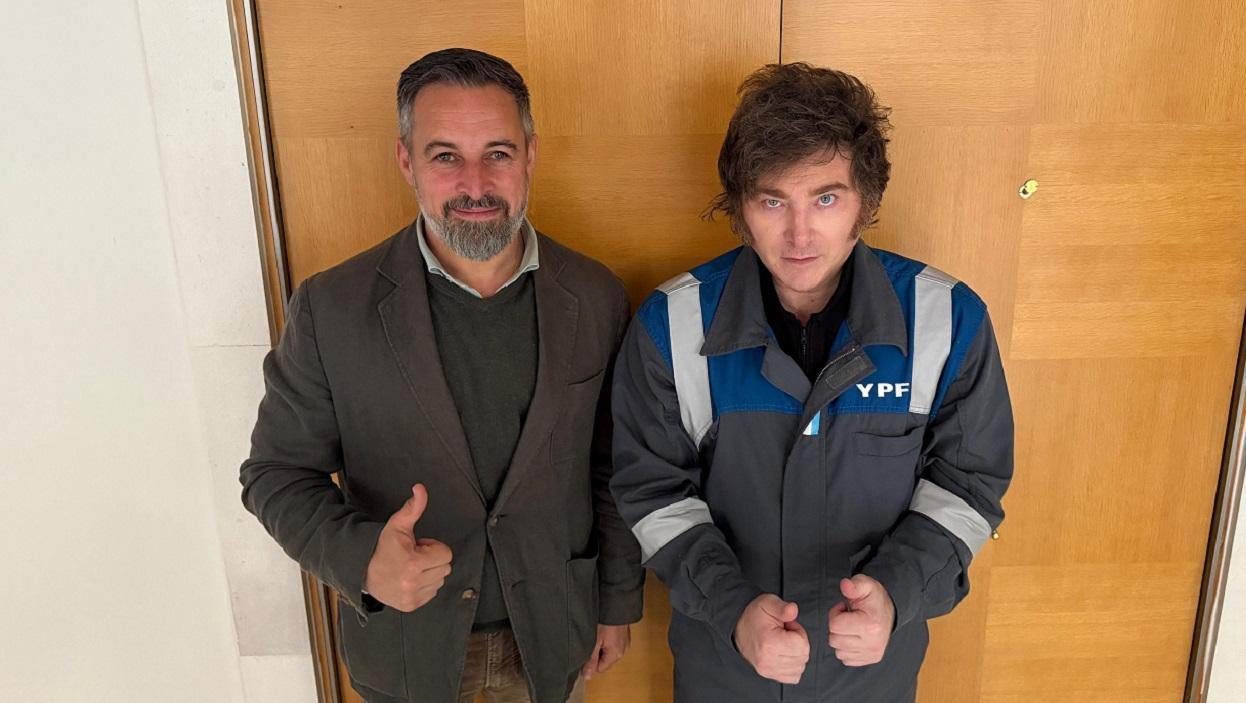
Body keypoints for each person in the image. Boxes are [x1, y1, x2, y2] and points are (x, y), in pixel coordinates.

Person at [241, 48, 643, 703]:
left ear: (531, 155)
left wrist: (620, 596)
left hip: (554, 640)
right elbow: (275, 475)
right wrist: (361, 557)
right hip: (406, 652)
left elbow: (614, 463)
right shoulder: (330, 308)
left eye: (498, 152)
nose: (475, 183)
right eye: (445, 155)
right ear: (406, 160)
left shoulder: (597, 297)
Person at [609, 62, 1014, 702]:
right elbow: (654, 496)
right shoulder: (671, 323)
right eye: (773, 200)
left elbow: (968, 486)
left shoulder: (949, 318)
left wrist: (897, 591)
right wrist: (734, 607)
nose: (800, 234)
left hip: (873, 669)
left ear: (867, 199)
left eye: (826, 197)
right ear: (741, 206)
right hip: (724, 661)